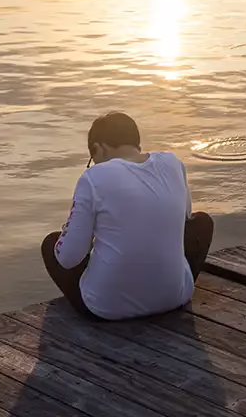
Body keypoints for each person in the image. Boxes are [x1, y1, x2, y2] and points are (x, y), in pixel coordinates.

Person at [42, 112, 215, 320]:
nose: (94, 164)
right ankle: (167, 288)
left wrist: (76, 233)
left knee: (52, 244)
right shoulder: (172, 163)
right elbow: (185, 217)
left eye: (92, 159)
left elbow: (69, 259)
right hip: (176, 298)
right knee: (201, 222)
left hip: (107, 309)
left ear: (98, 148)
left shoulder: (94, 178)